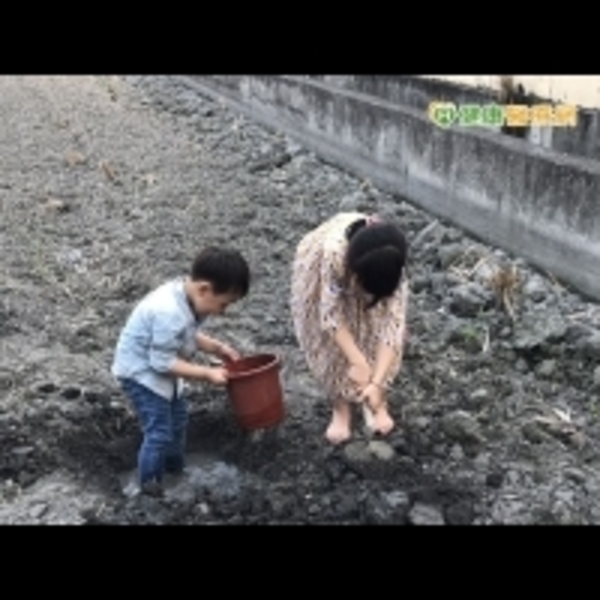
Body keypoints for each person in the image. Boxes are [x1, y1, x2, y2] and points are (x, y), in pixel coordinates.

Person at [111, 247, 250, 496]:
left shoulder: (187, 297)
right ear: (204, 289)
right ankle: (149, 486)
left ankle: (175, 471)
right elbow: (161, 362)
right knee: (159, 431)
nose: (223, 312)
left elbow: (188, 334)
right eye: (223, 304)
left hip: (161, 369)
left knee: (178, 421)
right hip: (140, 373)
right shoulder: (168, 312)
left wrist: (217, 348)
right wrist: (207, 373)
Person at [290, 211, 409, 444]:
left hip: (372, 267)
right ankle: (340, 406)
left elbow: (392, 325)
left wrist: (376, 381)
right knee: (328, 342)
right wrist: (357, 361)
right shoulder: (334, 256)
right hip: (329, 268)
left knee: (373, 325)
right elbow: (331, 316)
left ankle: (376, 399)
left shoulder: (394, 262)